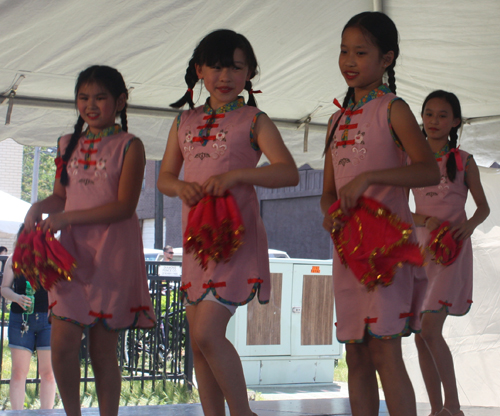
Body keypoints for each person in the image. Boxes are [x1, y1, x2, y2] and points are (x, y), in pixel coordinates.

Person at [157, 29, 299, 416]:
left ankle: (243, 412)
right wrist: (181, 187)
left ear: (249, 72)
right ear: (199, 70)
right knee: (199, 343)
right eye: (216, 67)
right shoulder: (183, 121)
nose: (225, 76)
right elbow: (165, 178)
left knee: (206, 333)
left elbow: (288, 172)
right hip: (197, 242)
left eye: (235, 67)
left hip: (235, 241)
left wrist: (238, 176)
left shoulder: (254, 119)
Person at [320, 12, 440, 416]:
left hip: (387, 250)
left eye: (360, 52)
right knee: (355, 354)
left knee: (385, 348)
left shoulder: (394, 109)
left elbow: (427, 169)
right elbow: (327, 193)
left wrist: (370, 177)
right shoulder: (336, 119)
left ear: (386, 59)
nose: (349, 61)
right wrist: (328, 213)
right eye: (343, 51)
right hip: (348, 252)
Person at [23, 65, 155, 416]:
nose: (90, 105)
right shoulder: (67, 144)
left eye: (100, 97)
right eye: (83, 97)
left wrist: (65, 217)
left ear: (121, 101)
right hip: (71, 256)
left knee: (102, 350)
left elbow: (124, 207)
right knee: (63, 344)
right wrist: (38, 208)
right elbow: (60, 198)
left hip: (113, 255)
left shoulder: (131, 146)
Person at [411, 91, 489, 416]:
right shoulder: (411, 159)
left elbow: (483, 208)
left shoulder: (465, 160)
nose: (434, 121)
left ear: (455, 121)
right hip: (420, 251)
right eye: (429, 114)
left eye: (442, 115)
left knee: (429, 329)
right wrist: (424, 220)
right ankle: (435, 409)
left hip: (451, 252)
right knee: (418, 336)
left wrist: (469, 226)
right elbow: (398, 207)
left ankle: (453, 407)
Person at [1, 236, 56, 410]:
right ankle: (17, 413)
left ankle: (46, 413)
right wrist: (17, 298)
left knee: (48, 374)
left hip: (47, 320)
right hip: (20, 321)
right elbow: (4, 288)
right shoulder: (14, 260)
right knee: (18, 373)